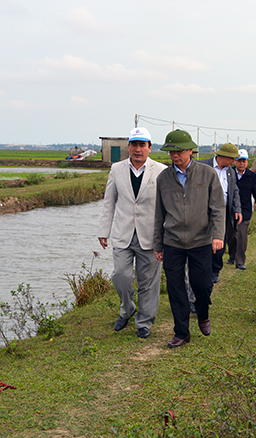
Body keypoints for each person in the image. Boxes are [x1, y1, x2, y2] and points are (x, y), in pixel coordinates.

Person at [153, 130, 225, 348]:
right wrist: (158, 243)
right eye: (171, 152)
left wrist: (218, 236)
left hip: (201, 240)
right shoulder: (163, 178)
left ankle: (203, 313)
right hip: (172, 241)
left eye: (179, 151)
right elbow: (159, 214)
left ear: (190, 150)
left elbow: (218, 209)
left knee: (201, 285)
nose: (175, 155)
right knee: (175, 288)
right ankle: (182, 332)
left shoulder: (207, 174)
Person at [98, 127, 167, 339]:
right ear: (129, 146)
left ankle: (144, 322)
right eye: (134, 144)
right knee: (121, 275)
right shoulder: (117, 169)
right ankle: (127, 308)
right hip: (123, 233)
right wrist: (104, 230)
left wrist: (165, 237)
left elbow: (166, 206)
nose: (138, 149)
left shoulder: (161, 170)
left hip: (151, 235)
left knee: (148, 281)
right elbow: (109, 201)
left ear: (149, 148)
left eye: (142, 145)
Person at [198, 143, 242, 283]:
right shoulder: (202, 166)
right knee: (204, 242)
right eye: (232, 159)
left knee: (220, 242)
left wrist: (237, 209)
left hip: (223, 212)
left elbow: (234, 191)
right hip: (203, 212)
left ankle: (215, 271)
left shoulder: (231, 172)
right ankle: (203, 270)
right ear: (223, 156)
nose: (233, 162)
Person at [229, 149, 256, 270]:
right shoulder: (229, 174)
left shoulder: (252, 176)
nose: (241, 163)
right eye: (239, 161)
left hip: (245, 210)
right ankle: (232, 255)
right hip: (230, 209)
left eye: (243, 161)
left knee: (242, 235)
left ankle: (240, 261)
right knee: (230, 235)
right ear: (234, 161)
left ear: (247, 162)